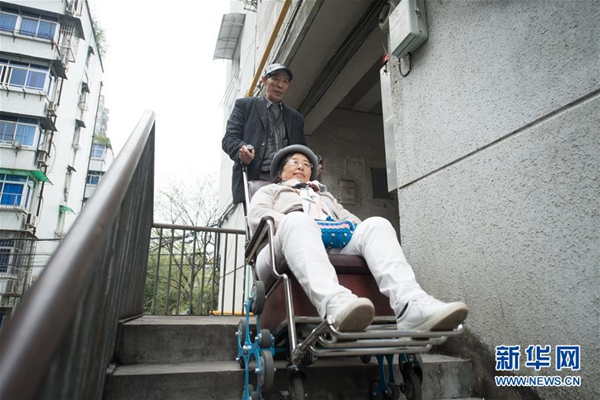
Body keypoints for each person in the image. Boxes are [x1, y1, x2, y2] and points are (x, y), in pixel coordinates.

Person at [248, 144, 469, 332]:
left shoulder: (324, 196)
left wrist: (342, 228)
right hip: (280, 247)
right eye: (294, 162)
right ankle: (335, 304)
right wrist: (308, 225)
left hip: (333, 242)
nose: (301, 166)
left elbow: (352, 222)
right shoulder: (271, 191)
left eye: (306, 164)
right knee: (299, 221)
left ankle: (411, 304)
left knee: (377, 225)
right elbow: (258, 216)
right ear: (280, 172)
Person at [222, 63, 307, 204]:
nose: (280, 85)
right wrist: (242, 149)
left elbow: (302, 149)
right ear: (264, 80)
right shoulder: (245, 106)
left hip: (288, 180)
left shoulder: (296, 118)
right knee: (262, 216)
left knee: (292, 213)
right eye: (276, 79)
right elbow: (229, 139)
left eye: (285, 81)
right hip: (256, 178)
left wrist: (315, 161)